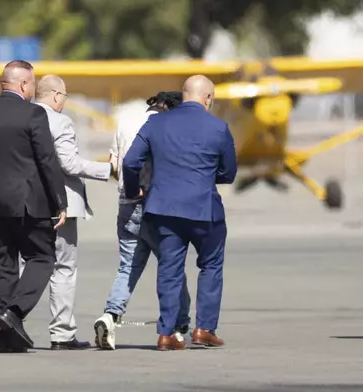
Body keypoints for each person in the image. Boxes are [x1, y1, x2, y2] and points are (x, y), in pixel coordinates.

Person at [122, 75, 237, 351]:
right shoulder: (219, 127)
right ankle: (204, 329)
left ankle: (166, 334)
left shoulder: (155, 122)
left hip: (163, 209)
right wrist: (206, 177)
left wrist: (132, 189)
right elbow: (229, 173)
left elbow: (130, 161)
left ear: (184, 95)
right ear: (208, 98)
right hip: (204, 209)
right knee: (210, 266)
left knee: (169, 269)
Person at [0, 61, 68, 354]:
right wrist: (59, 201)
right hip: (26, 200)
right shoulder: (33, 113)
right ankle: (15, 312)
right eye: (33, 84)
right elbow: (46, 160)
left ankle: (6, 337)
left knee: (4, 265)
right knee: (42, 257)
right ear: (23, 84)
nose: (34, 90)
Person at [93, 92, 191, 351]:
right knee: (172, 267)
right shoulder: (164, 127)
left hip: (125, 206)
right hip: (155, 206)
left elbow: (115, 165)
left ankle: (110, 316)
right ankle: (180, 326)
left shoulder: (125, 124)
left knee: (127, 267)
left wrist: (129, 189)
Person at [32, 74, 112, 350]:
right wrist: (108, 170)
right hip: (59, 204)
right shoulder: (60, 121)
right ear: (55, 95)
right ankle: (62, 334)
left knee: (26, 264)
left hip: (25, 204)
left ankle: (13, 322)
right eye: (64, 97)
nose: (64, 102)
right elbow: (68, 163)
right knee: (63, 268)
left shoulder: (22, 117)